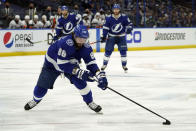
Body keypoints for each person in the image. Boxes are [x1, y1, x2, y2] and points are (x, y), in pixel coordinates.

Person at [24, 25, 108, 113]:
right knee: (40, 89)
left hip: (70, 64)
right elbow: (62, 65)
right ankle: (35, 100)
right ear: (74, 35)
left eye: (84, 39)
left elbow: (91, 63)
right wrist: (79, 72)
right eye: (80, 39)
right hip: (52, 65)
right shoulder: (65, 43)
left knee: (82, 84)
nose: (82, 42)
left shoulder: (86, 47)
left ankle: (90, 102)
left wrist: (99, 75)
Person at [101, 4, 133, 73]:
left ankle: (124, 66)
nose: (116, 10)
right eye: (114, 9)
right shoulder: (108, 18)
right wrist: (103, 36)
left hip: (121, 37)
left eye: (117, 9)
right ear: (112, 10)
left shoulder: (124, 17)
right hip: (111, 37)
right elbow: (105, 28)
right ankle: (104, 64)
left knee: (123, 51)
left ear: (119, 9)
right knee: (108, 51)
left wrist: (129, 29)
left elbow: (130, 24)